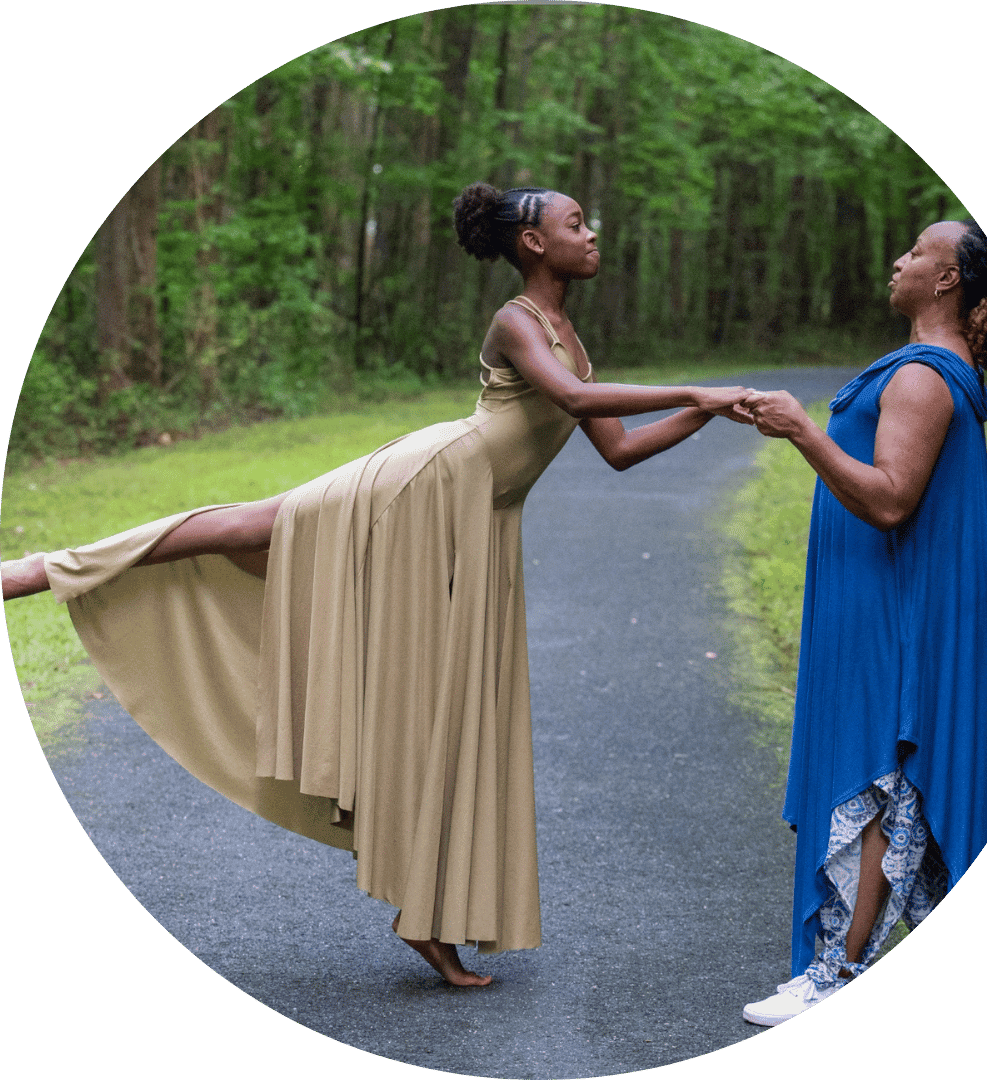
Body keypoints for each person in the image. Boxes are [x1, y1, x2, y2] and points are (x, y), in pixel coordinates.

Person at [2, 182, 753, 987]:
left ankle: (425, 916)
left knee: (433, 703)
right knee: (260, 526)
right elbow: (569, 400)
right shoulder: (517, 321)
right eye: (576, 224)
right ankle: (43, 569)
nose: (592, 233)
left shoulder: (574, 338)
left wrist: (712, 410)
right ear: (533, 244)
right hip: (422, 485)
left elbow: (620, 449)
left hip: (474, 523)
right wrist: (693, 388)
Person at [739, 219, 987, 1025]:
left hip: (892, 602)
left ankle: (836, 974)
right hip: (875, 594)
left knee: (879, 774)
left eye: (916, 252)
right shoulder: (926, 368)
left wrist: (801, 428)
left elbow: (889, 498)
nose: (899, 260)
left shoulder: (923, 377)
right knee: (879, 772)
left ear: (947, 280)